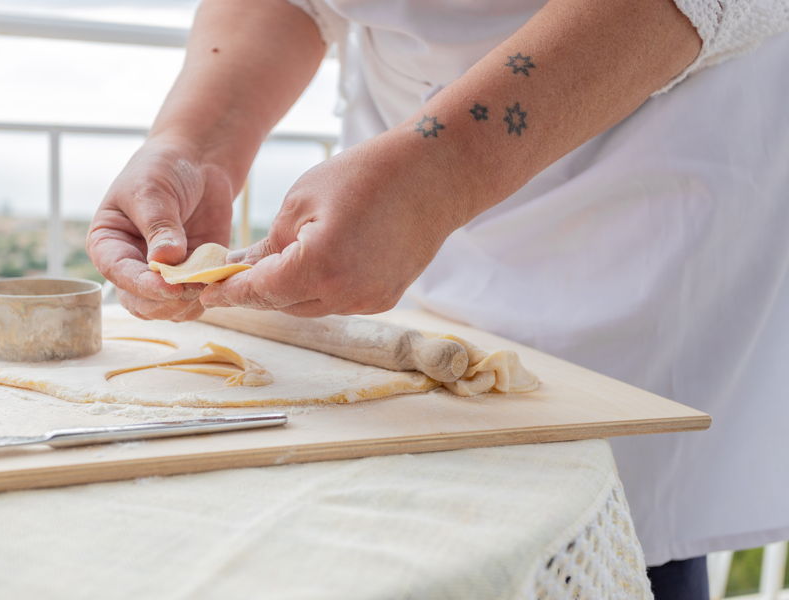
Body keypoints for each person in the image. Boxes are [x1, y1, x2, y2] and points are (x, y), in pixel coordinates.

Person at [87, 1, 789, 597]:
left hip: (644, 193)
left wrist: (444, 170)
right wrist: (194, 144)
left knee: (611, 520)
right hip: (391, 177)